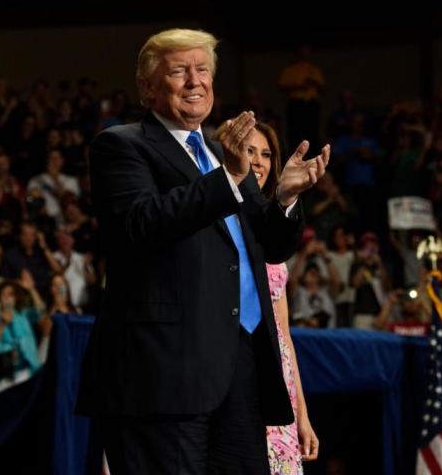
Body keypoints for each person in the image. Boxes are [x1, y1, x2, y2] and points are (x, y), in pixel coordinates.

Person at [78, 29, 329, 474]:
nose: (196, 81)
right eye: (179, 71)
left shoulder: (220, 152)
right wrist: (230, 180)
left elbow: (271, 245)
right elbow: (140, 224)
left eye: (203, 70)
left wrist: (285, 199)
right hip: (164, 373)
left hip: (240, 366)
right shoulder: (121, 145)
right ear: (149, 88)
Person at [215, 118, 320, 471]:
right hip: (227, 377)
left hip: (276, 383)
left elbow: (284, 336)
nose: (259, 162)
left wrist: (300, 414)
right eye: (249, 151)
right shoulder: (213, 214)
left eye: (266, 154)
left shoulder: (273, 228)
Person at [0, 281, 41, 395]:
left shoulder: (23, 316)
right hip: (4, 374)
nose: (7, 298)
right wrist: (2, 324)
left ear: (15, 298)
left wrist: (31, 289)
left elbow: (41, 311)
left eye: (11, 294)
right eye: (4, 294)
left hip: (26, 370)